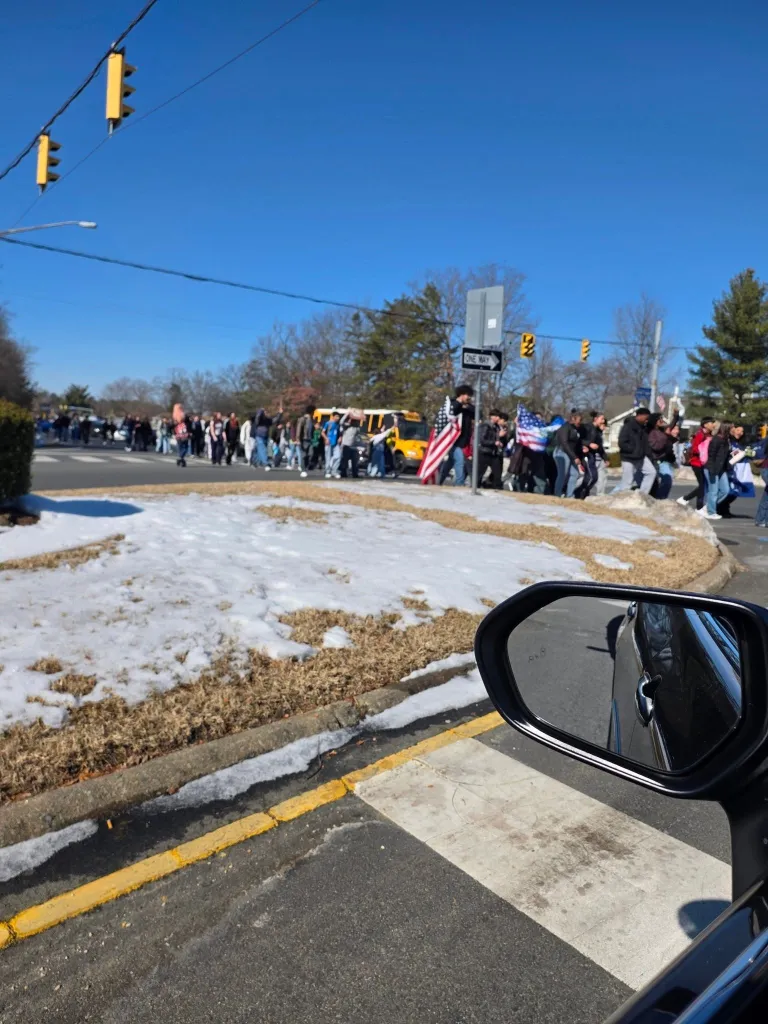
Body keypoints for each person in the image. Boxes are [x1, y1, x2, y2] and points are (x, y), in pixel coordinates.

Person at [438, 385, 475, 487]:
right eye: (468, 395)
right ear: (462, 395)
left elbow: (477, 413)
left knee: (449, 463)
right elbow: (451, 412)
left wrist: (467, 407)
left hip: (463, 440)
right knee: (460, 461)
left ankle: (438, 481)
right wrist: (459, 403)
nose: (469, 398)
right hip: (453, 439)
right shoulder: (452, 404)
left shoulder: (468, 407)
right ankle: (459, 483)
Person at [614, 407, 655, 494]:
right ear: (640, 416)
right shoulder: (628, 426)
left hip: (640, 457)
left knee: (651, 472)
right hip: (628, 458)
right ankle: (622, 500)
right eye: (646, 418)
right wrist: (633, 450)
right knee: (627, 481)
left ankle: (642, 495)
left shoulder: (643, 427)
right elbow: (622, 442)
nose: (647, 420)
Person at [678, 417, 715, 510]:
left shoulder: (708, 434)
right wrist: (704, 452)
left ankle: (699, 506)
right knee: (703, 486)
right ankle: (685, 499)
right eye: (711, 423)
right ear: (705, 424)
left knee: (703, 485)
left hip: (703, 463)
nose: (713, 425)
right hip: (696, 463)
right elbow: (694, 448)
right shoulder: (700, 435)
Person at [700, 421, 731, 520]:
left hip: (721, 469)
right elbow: (711, 455)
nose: (733, 430)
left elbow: (724, 456)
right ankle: (711, 512)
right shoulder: (716, 439)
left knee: (725, 491)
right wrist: (711, 470)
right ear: (726, 428)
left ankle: (707, 507)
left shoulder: (726, 440)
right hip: (712, 468)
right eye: (732, 428)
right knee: (713, 491)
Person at [553, 411, 585, 498]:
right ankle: (557, 494)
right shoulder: (565, 428)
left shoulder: (575, 429)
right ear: (573, 419)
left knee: (575, 474)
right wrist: (574, 457)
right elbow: (564, 443)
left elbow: (576, 443)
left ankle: (570, 495)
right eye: (579, 420)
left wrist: (582, 449)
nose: (580, 422)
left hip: (572, 454)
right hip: (562, 452)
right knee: (562, 474)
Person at [476, 409, 506, 489]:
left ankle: (497, 488)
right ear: (492, 417)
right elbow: (482, 440)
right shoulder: (486, 425)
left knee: (497, 473)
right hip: (484, 452)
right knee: (479, 473)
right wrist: (494, 442)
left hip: (493, 453)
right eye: (496, 416)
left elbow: (497, 438)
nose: (498, 418)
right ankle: (476, 487)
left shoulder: (496, 427)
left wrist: (500, 439)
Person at [580, 411, 607, 497]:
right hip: (585, 455)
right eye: (602, 419)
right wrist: (588, 444)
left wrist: (605, 458)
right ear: (595, 419)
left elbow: (599, 447)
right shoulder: (587, 427)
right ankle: (579, 492)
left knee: (594, 477)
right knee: (591, 476)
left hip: (592, 455)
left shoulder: (597, 431)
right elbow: (579, 439)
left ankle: (584, 493)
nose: (603, 421)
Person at [339, 410, 363, 479]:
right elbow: (341, 422)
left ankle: (355, 474)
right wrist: (347, 414)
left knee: (355, 462)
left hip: (354, 447)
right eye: (351, 420)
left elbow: (358, 437)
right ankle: (343, 473)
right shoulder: (346, 426)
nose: (352, 421)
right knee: (344, 461)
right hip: (346, 446)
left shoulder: (357, 428)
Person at [296, 405, 315, 477]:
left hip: (310, 440)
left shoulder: (312, 419)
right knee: (304, 455)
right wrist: (298, 439)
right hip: (303, 439)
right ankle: (303, 469)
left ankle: (306, 467)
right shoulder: (303, 419)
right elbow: (299, 429)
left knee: (311, 454)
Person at [322, 411, 342, 479]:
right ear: (333, 416)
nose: (338, 418)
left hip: (336, 443)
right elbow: (322, 432)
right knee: (328, 457)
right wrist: (326, 439)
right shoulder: (328, 423)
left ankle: (334, 471)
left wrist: (340, 438)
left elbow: (340, 433)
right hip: (329, 443)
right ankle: (327, 472)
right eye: (336, 416)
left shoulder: (338, 424)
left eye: (338, 417)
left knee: (338, 456)